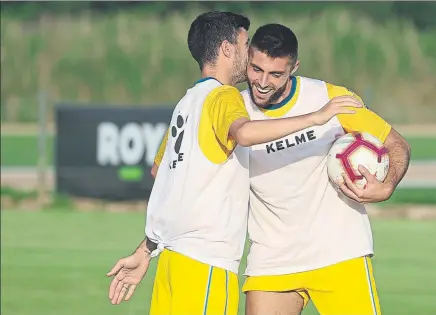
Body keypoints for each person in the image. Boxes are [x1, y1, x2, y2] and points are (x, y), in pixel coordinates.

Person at [105, 13, 363, 315]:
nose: (248, 49)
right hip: (205, 264)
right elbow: (244, 133)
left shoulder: (188, 103)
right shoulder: (224, 96)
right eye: (244, 43)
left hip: (172, 261)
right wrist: (316, 117)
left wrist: (146, 249)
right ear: (228, 49)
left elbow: (161, 174)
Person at [239, 24, 411, 315]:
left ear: (294, 67)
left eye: (276, 74)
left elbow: (396, 144)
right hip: (272, 258)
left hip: (340, 252)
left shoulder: (329, 96)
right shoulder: (235, 111)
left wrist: (388, 184)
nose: (263, 82)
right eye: (256, 70)